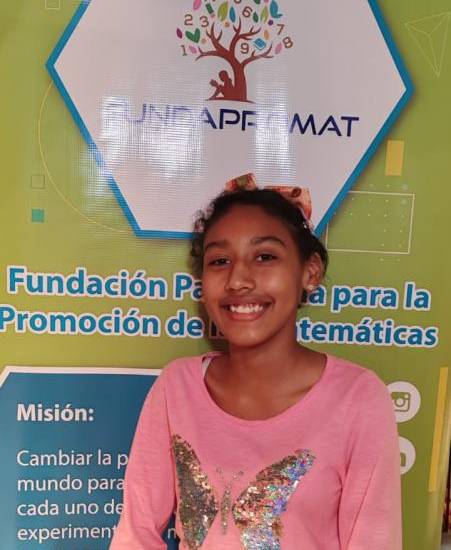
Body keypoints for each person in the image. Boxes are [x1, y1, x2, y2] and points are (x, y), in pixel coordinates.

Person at [110, 176, 401, 550]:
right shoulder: (176, 387)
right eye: (220, 260)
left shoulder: (358, 398)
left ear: (309, 272)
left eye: (265, 256)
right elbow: (135, 535)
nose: (238, 279)